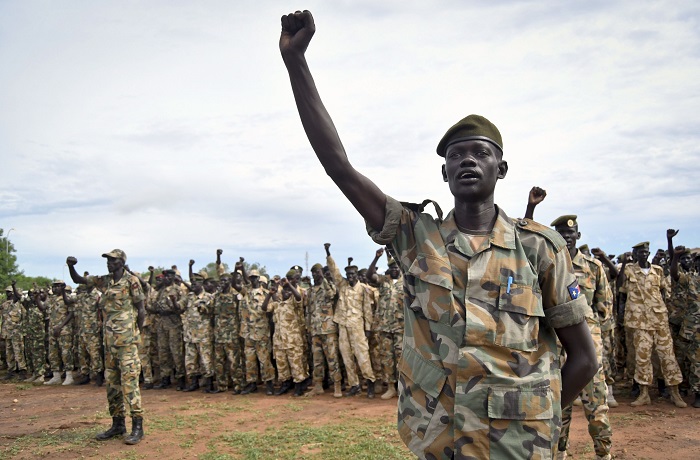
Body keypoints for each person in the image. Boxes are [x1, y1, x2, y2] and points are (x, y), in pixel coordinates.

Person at [280, 10, 597, 458]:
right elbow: (340, 167)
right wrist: (297, 64)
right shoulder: (414, 237)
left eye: (480, 153)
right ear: (444, 171)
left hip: (520, 445)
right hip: (437, 439)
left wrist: (540, 416)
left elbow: (584, 358)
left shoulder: (538, 247)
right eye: (456, 155)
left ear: (500, 168)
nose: (467, 160)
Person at [66, 250, 146, 445]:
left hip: (127, 343)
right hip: (110, 343)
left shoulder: (131, 281)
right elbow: (79, 280)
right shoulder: (105, 281)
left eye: (112, 260)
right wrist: (71, 266)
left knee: (130, 384)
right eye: (107, 260)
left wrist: (136, 333)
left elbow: (141, 308)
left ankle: (138, 426)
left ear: (121, 262)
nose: (109, 263)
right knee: (112, 385)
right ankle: (118, 424)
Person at [618, 241, 686, 408]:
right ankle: (644, 394)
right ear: (635, 254)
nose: (644, 254)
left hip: (659, 320)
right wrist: (622, 315)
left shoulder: (658, 271)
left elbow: (664, 291)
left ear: (649, 253)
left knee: (667, 355)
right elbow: (621, 290)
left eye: (646, 251)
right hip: (639, 322)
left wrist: (664, 310)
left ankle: (675, 392)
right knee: (642, 358)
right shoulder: (629, 270)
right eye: (640, 252)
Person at [325, 243, 377, 398]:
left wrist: (367, 329)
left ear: (356, 274)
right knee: (347, 357)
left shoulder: (363, 289)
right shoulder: (342, 286)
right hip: (343, 326)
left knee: (362, 356)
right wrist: (328, 253)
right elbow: (334, 272)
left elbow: (367, 309)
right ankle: (354, 385)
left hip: (357, 326)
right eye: (348, 274)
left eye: (353, 274)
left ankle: (370, 383)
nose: (350, 276)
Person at [668, 234, 700, 408]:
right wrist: (676, 257)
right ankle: (696, 392)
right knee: (694, 360)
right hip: (692, 328)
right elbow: (674, 274)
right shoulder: (691, 280)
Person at [305, 262, 341, 397]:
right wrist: (309, 328)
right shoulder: (310, 291)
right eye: (314, 272)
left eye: (318, 272)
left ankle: (337, 385)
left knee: (332, 358)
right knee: (317, 360)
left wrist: (324, 278)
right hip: (315, 330)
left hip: (328, 330)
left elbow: (332, 294)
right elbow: (308, 311)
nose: (316, 274)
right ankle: (318, 386)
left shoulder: (328, 286)